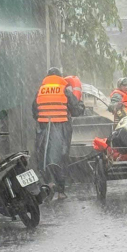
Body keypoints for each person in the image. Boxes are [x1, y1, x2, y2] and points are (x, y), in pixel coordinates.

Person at [32, 67, 84, 199]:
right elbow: (76, 110)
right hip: (61, 128)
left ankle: (48, 184)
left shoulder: (40, 91)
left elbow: (34, 112)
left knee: (44, 157)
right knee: (61, 157)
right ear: (60, 77)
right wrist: (81, 105)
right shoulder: (64, 91)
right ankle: (60, 190)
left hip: (43, 128)